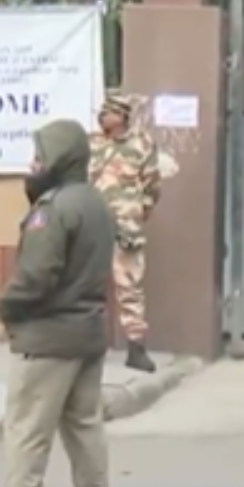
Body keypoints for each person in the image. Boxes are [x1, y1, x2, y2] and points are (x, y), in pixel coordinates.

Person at [0, 118, 116, 487]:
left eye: (39, 157)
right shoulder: (98, 203)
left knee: (27, 433)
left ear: (59, 159)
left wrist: (6, 306)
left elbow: (36, 276)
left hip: (47, 340)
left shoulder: (51, 210)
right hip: (89, 334)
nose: (32, 165)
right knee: (86, 428)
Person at [89, 95, 161, 372]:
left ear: (122, 116)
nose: (102, 117)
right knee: (87, 286)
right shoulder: (92, 144)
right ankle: (88, 346)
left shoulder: (142, 144)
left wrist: (139, 212)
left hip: (126, 227)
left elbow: (152, 185)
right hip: (93, 225)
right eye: (101, 112)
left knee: (130, 287)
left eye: (108, 113)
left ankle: (136, 348)